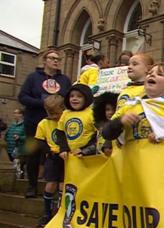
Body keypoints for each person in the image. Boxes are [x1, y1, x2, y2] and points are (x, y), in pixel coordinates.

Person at [18, 49, 71, 198]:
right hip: (34, 122)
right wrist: (44, 103)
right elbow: (22, 97)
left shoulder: (64, 80)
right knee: (33, 154)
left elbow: (69, 99)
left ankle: (57, 185)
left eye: (58, 59)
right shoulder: (33, 78)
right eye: (53, 58)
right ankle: (32, 185)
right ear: (44, 60)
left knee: (58, 152)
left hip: (57, 125)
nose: (56, 61)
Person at [102, 64, 164, 144]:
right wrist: (120, 121)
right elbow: (106, 133)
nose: (152, 75)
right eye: (149, 73)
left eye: (159, 74)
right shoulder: (131, 105)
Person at [35, 95, 65, 227]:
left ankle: (61, 212)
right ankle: (47, 213)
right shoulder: (43, 123)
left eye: (57, 113)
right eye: (51, 113)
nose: (54, 116)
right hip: (52, 157)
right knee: (51, 183)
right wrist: (49, 151)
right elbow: (40, 141)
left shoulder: (67, 120)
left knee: (63, 185)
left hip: (66, 156)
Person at [56, 84, 97, 160]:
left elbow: (98, 135)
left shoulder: (92, 113)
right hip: (69, 156)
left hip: (88, 156)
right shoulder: (65, 113)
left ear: (86, 98)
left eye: (79, 96)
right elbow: (60, 132)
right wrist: (63, 149)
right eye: (71, 96)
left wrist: (85, 150)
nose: (74, 98)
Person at [4, 108, 26, 178]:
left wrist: (20, 137)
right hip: (9, 149)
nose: (14, 115)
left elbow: (28, 137)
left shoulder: (25, 125)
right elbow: (6, 136)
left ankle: (19, 182)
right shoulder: (12, 125)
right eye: (14, 113)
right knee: (11, 168)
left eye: (16, 113)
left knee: (18, 169)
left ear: (21, 115)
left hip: (19, 150)